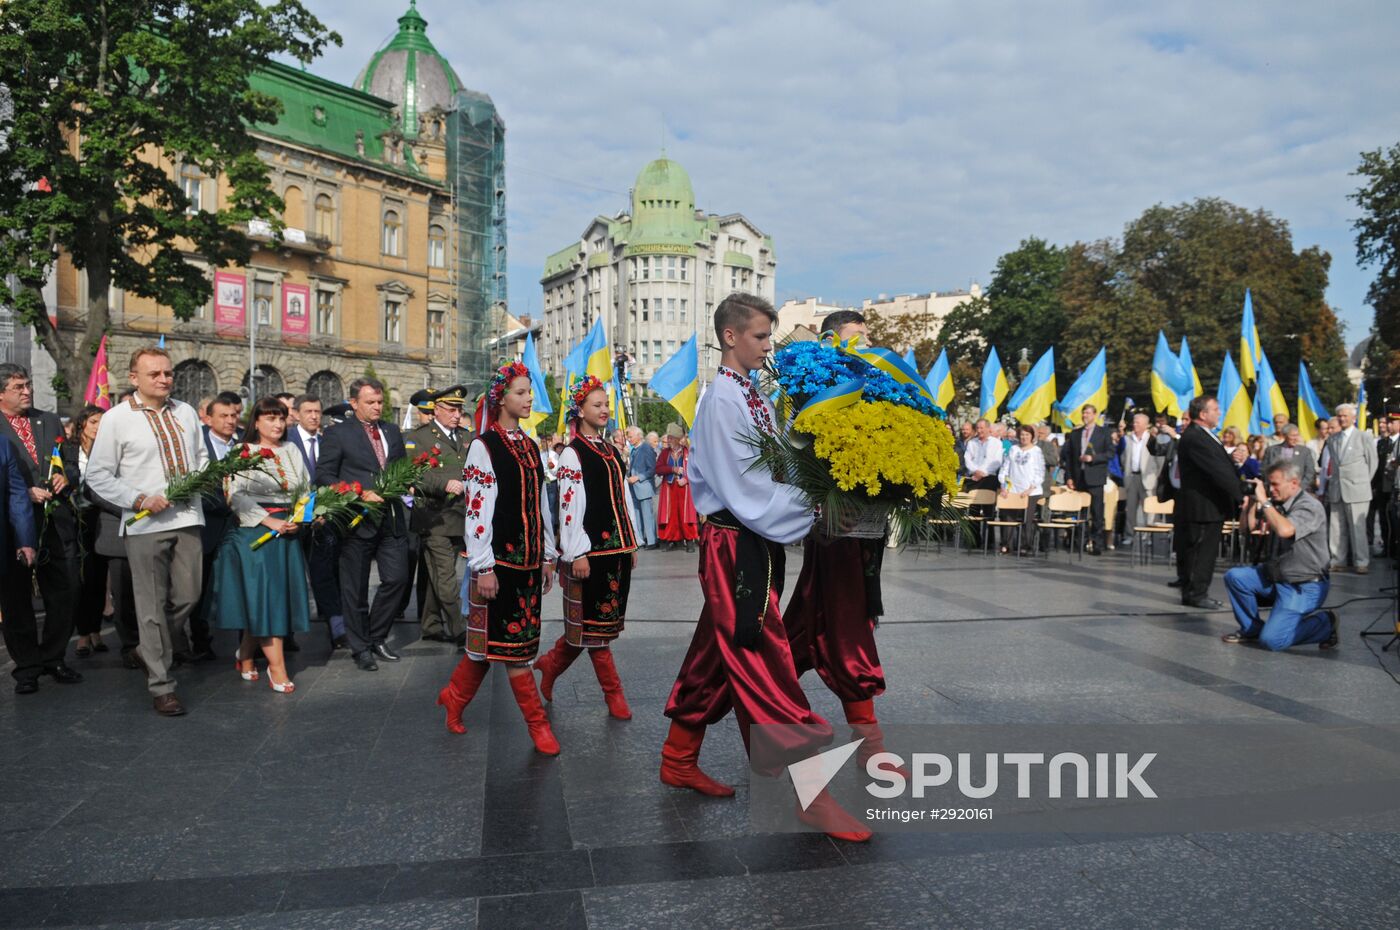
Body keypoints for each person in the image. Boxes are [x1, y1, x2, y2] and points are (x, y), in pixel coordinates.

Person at [661, 292, 866, 843]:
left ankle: (679, 756)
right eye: (760, 336)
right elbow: (743, 485)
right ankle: (807, 793)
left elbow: (774, 467)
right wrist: (813, 504)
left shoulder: (749, 393)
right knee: (761, 657)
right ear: (731, 337)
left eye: (769, 336)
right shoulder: (722, 400)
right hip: (735, 544)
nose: (768, 346)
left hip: (753, 543)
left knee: (716, 650)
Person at [435, 362, 560, 755]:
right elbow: (478, 510)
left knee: (492, 646)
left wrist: (547, 555)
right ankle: (538, 727)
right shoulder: (482, 446)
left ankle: (454, 696)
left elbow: (541, 506)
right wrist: (483, 565)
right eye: (521, 393)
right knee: (515, 652)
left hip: (527, 562)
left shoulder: (529, 445)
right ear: (501, 398)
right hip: (499, 564)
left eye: (528, 393)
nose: (528, 399)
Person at [86, 346, 208, 716]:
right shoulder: (117, 419)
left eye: (168, 373)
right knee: (150, 606)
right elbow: (97, 474)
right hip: (143, 525)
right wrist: (138, 499)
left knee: (189, 595)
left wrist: (197, 479)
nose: (164, 379)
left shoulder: (185, 412)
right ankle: (161, 684)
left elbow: (201, 457)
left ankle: (147, 649)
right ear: (134, 378)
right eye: (154, 374)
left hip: (187, 518)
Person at [535, 376, 639, 720]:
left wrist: (631, 540)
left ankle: (551, 664)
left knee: (598, 626)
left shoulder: (610, 450)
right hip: (592, 553)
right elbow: (569, 506)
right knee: (596, 630)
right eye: (597, 405)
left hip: (617, 550)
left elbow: (623, 498)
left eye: (606, 404)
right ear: (579, 410)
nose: (605, 410)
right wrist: (576, 551)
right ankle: (615, 695)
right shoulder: (572, 454)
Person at [210, 396, 310, 693]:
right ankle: (277, 669)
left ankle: (245, 653)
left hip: (287, 533)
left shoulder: (292, 450)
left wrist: (299, 518)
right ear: (256, 422)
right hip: (255, 535)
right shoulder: (242, 451)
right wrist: (270, 521)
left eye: (281, 418)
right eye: (270, 418)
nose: (277, 424)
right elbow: (236, 496)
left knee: (270, 601)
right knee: (266, 601)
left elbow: (305, 488)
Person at [0, 363, 84, 694]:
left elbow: (73, 463)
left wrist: (69, 477)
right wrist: (22, 490)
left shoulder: (48, 420)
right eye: (18, 387)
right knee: (16, 596)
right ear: (1, 392)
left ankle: (53, 657)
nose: (27, 391)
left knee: (65, 590)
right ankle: (27, 668)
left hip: (56, 519)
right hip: (13, 524)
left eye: (28, 385)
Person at [317, 376, 409, 671]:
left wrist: (406, 483)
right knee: (354, 588)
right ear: (354, 403)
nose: (377, 407)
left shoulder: (392, 431)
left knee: (396, 579)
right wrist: (358, 493)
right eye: (370, 402)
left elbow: (400, 469)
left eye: (380, 402)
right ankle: (361, 648)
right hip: (356, 521)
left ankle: (377, 635)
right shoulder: (338, 434)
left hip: (391, 520)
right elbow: (325, 476)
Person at [1221, 459, 1338, 651]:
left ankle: (1326, 623)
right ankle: (1252, 629)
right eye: (1269, 484)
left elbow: (1285, 530)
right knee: (1236, 577)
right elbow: (1246, 529)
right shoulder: (1276, 503)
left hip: (1304, 584)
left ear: (1294, 483)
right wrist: (1251, 503)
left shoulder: (1310, 506)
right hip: (1276, 576)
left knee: (1273, 641)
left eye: (1275, 484)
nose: (1271, 489)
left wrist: (1265, 502)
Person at [405, 385, 472, 647]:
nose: (457, 414)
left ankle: (431, 625)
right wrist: (443, 484)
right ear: (437, 410)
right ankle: (460, 629)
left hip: (459, 516)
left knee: (438, 574)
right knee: (446, 576)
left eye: (459, 409)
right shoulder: (419, 438)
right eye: (452, 409)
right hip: (433, 518)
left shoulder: (466, 437)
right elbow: (413, 474)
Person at [1174, 396, 1248, 609]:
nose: (1219, 412)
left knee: (1201, 551)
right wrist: (1239, 494)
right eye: (1215, 409)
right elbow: (1217, 470)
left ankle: (1194, 591)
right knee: (1201, 552)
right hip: (1203, 506)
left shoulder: (1205, 435)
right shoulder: (1196, 437)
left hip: (1209, 505)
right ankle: (1196, 593)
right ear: (1203, 414)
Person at [287, 393, 347, 649]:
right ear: (297, 414)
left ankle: (337, 628)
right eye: (308, 411)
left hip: (322, 521)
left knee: (324, 574)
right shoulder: (286, 441)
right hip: (290, 520)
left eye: (317, 412)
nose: (314, 416)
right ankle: (286, 634)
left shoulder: (328, 441)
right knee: (290, 576)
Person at [188, 394, 242, 663]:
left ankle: (247, 642)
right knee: (202, 585)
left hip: (240, 524)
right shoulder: (197, 445)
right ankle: (200, 639)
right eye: (224, 416)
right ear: (208, 418)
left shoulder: (244, 446)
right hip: (208, 525)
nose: (231, 421)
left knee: (242, 582)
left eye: (233, 415)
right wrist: (225, 503)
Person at [70, 405, 112, 658]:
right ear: (83, 424)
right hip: (77, 517)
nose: (98, 427)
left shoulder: (108, 451)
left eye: (102, 422)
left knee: (99, 576)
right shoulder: (69, 450)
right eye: (94, 422)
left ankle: (96, 630)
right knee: (81, 578)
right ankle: (82, 634)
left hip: (102, 516)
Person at [1, 422, 39, 681]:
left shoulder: (3, 444)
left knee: (16, 607)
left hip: (4, 542)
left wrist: (25, 540)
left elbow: (17, 494)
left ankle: (27, 670)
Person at [1320, 402, 1376, 574]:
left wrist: (1364, 482)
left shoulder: (1363, 437)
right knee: (1336, 528)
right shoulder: (1332, 439)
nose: (1342, 419)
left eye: (1345, 415)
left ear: (1353, 418)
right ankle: (1338, 560)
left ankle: (1361, 562)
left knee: (1357, 528)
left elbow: (1373, 462)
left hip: (1357, 489)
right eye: (1340, 416)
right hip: (1337, 489)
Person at [1060, 404, 1113, 555]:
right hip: (1079, 478)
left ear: (1094, 415)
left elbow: (1110, 453)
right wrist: (1069, 477)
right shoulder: (1076, 433)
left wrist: (1093, 458)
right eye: (1083, 413)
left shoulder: (1103, 432)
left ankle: (1096, 543)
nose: (1085, 416)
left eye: (1088, 413)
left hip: (1095, 478)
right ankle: (1080, 541)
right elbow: (1069, 458)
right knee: (1080, 512)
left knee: (1097, 512)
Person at [997, 423, 1045, 554]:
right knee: (1008, 518)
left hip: (1030, 491)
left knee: (1026, 519)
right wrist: (1004, 486)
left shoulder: (1036, 451)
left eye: (1027, 435)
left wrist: (1030, 489)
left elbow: (1040, 472)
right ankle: (1006, 545)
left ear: (1032, 436)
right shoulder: (1013, 449)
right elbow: (1005, 468)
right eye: (1022, 434)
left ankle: (1026, 546)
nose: (1024, 437)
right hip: (1012, 490)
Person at [1118, 412, 1161, 543]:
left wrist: (1155, 476)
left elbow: (1159, 460)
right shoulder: (1128, 439)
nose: (1134, 424)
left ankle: (1149, 536)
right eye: (1134, 422)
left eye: (1138, 422)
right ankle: (1130, 535)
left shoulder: (1152, 439)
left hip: (1148, 478)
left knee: (1149, 509)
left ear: (1145, 425)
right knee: (1130, 508)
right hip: (1132, 477)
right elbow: (1123, 458)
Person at [655, 424, 698, 551]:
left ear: (678, 439)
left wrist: (686, 479)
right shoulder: (664, 453)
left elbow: (696, 470)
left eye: (671, 438)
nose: (669, 440)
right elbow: (658, 469)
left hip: (684, 488)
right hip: (669, 488)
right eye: (668, 438)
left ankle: (689, 541)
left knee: (685, 515)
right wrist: (672, 469)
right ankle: (671, 540)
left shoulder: (688, 452)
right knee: (671, 515)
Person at [626, 425, 658, 550]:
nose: (629, 439)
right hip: (634, 488)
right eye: (628, 436)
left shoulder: (646, 448)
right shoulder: (634, 449)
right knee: (637, 516)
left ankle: (652, 541)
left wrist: (638, 477)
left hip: (644, 487)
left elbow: (652, 469)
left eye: (630, 436)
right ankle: (640, 540)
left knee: (647, 515)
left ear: (639, 436)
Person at [1261, 426, 1318, 493]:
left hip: (1299, 491)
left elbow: (1310, 472)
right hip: (1276, 491)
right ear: (1285, 436)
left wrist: (1299, 488)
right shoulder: (1271, 450)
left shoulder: (1305, 451)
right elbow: (1264, 470)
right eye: (1293, 435)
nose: (1295, 438)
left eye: (1297, 435)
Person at [1368, 415, 1393, 556]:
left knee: (1393, 520)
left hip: (1394, 486)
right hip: (1382, 486)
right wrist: (1373, 484)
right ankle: (1387, 547)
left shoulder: (1396, 442)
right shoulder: (1381, 443)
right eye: (1383, 423)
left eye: (1387, 423)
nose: (1385, 426)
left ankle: (1393, 548)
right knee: (1383, 518)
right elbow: (1377, 467)